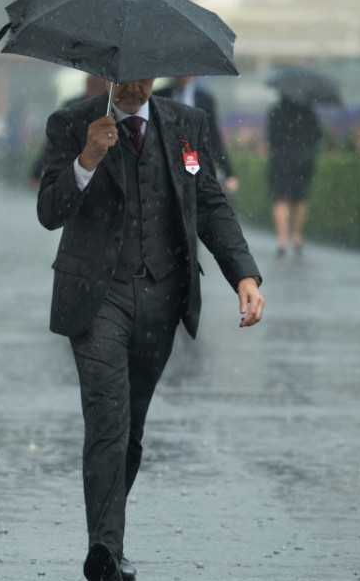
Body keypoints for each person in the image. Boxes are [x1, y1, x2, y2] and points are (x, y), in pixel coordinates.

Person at [37, 78, 265, 581]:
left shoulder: (187, 126)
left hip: (162, 297)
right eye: (129, 75)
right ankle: (105, 551)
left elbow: (209, 205)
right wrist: (87, 160)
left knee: (131, 430)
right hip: (97, 298)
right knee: (107, 422)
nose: (138, 85)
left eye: (148, 73)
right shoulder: (73, 124)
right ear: (110, 72)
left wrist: (244, 275)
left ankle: (107, 542)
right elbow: (49, 212)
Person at [154, 76, 238, 193]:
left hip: (195, 162)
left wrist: (228, 172)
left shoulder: (204, 99)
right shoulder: (158, 96)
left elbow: (213, 137)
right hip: (165, 163)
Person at [266, 96, 322, 257]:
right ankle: (297, 236)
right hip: (303, 160)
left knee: (280, 198)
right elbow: (318, 134)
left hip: (280, 160)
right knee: (300, 197)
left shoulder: (276, 111)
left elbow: (271, 136)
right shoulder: (308, 112)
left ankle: (282, 239)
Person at [30, 74, 109, 188]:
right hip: (72, 170)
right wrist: (37, 171)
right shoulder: (72, 107)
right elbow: (52, 141)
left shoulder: (109, 110)